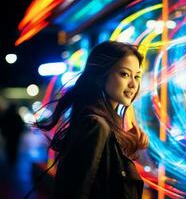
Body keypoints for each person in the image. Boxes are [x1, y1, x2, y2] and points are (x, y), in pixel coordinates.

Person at [35, 41, 149, 199]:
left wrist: (126, 140)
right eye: (124, 74)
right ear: (101, 75)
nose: (133, 84)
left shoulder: (103, 123)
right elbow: (77, 190)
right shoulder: (95, 124)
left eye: (137, 76)